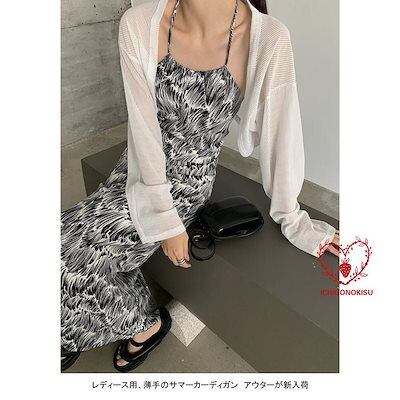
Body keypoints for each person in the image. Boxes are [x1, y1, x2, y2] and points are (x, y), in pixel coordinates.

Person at [61, 0, 340, 372]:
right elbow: (142, 128)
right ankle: (111, 319)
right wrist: (163, 219)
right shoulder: (138, 23)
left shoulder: (269, 38)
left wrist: (292, 216)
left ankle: (141, 324)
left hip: (187, 183)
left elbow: (282, 134)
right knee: (66, 251)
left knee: (64, 258)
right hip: (138, 167)